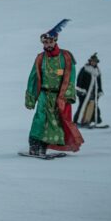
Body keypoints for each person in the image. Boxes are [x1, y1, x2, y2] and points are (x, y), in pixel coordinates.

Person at [25, 19, 84, 157]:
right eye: (45, 42)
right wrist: (31, 98)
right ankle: (34, 145)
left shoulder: (66, 57)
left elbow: (71, 76)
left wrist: (67, 96)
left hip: (59, 96)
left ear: (55, 41)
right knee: (40, 119)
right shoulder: (40, 58)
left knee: (55, 122)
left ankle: (43, 147)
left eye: (50, 42)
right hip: (44, 95)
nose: (47, 45)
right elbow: (33, 78)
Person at [73, 53, 104, 128]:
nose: (94, 63)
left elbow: (99, 82)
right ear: (90, 61)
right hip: (84, 92)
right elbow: (79, 80)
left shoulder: (97, 71)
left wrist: (100, 90)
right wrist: (80, 90)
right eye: (93, 61)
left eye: (95, 61)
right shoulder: (84, 69)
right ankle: (78, 121)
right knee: (82, 106)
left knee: (93, 106)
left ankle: (87, 121)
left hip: (93, 93)